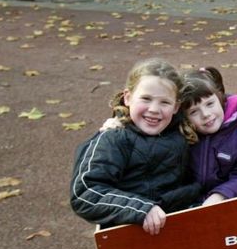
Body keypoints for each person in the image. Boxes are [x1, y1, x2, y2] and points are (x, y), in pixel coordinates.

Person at [70, 58, 201, 234]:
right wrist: (141, 209)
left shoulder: (183, 130)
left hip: (180, 222)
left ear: (176, 106)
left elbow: (213, 101)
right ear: (128, 97)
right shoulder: (113, 139)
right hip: (136, 233)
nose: (154, 109)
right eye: (146, 99)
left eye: (165, 102)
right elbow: (85, 193)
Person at [180, 67, 237, 206]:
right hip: (192, 200)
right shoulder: (184, 131)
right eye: (193, 112)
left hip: (231, 200)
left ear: (221, 99)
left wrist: (221, 195)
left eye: (210, 104)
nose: (205, 114)